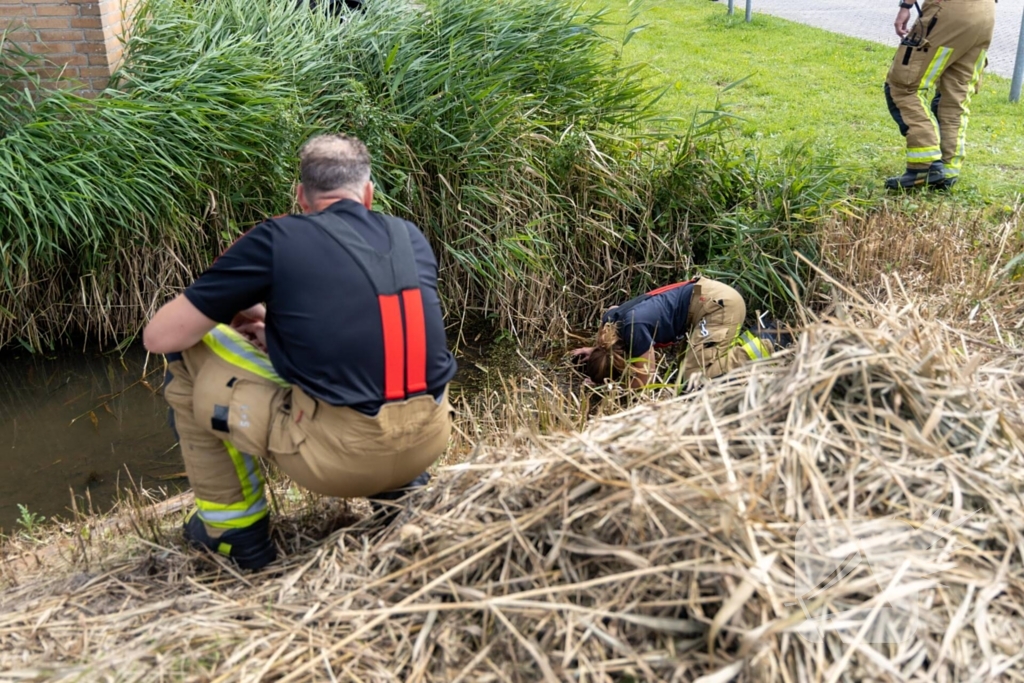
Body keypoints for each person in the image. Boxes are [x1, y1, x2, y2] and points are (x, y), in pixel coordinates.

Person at [143, 134, 457, 570]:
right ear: (367, 193)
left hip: (337, 460)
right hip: (428, 440)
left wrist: (232, 310)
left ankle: (237, 535)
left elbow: (161, 337)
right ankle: (402, 494)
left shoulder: (277, 238)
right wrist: (272, 329)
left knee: (191, 350)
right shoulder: (408, 235)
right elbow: (366, 334)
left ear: (300, 196)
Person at [572, 277, 782, 388]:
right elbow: (611, 309)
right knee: (689, 366)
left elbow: (646, 377)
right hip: (703, 293)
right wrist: (595, 350)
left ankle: (772, 340)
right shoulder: (610, 321)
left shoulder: (634, 330)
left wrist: (615, 389)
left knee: (694, 380)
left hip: (715, 304)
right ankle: (756, 337)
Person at [883, 0, 995, 190]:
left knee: (903, 87)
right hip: (985, 14)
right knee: (954, 98)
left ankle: (925, 167)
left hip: (948, 12)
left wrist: (906, 6)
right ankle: (948, 171)